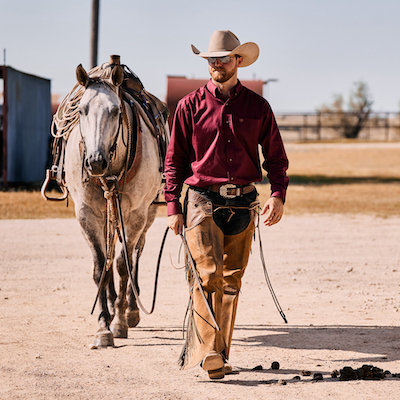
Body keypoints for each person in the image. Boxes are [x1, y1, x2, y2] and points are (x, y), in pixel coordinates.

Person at [164, 30, 289, 380]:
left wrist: (277, 194)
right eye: (211, 60)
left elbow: (276, 159)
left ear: (238, 61)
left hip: (245, 203)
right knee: (207, 277)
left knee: (231, 281)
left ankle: (219, 354)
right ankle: (208, 353)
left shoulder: (258, 108)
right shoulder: (189, 107)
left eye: (223, 58)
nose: (217, 64)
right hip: (202, 201)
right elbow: (174, 161)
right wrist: (173, 206)